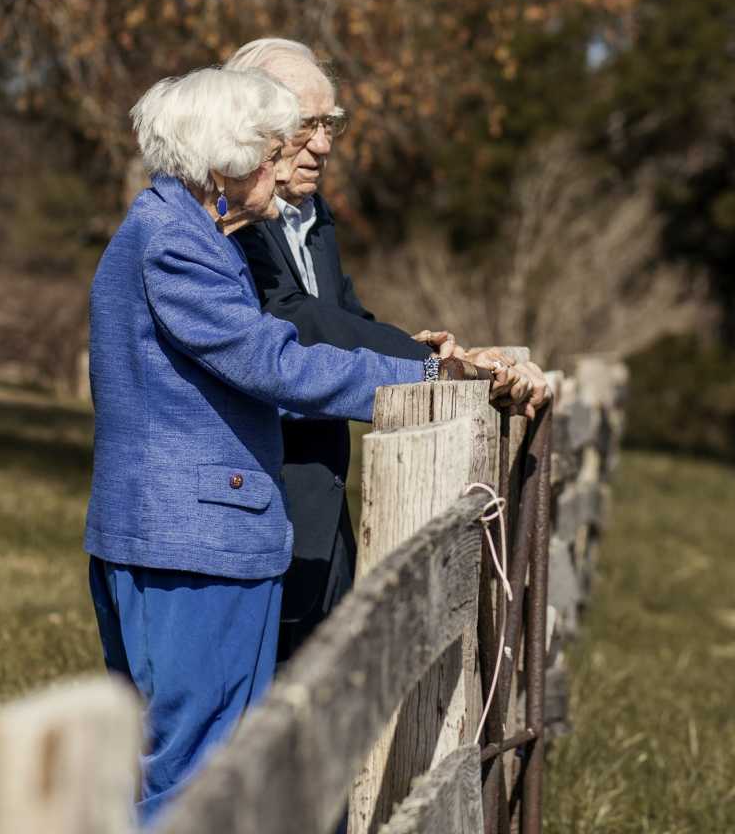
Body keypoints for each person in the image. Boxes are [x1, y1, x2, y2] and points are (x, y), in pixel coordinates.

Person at [84, 65, 479, 823]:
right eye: (270, 149)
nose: (285, 162)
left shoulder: (183, 231)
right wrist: (421, 375)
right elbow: (270, 362)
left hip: (170, 536)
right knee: (199, 770)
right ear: (225, 164)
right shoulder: (176, 243)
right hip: (192, 545)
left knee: (179, 763)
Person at [225, 38, 550, 663]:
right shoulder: (230, 220)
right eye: (306, 125)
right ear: (251, 125)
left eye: (331, 125)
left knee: (320, 701)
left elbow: (344, 318)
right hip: (251, 503)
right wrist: (433, 367)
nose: (323, 145)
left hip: (322, 500)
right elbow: (295, 322)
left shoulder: (312, 216)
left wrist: (423, 351)